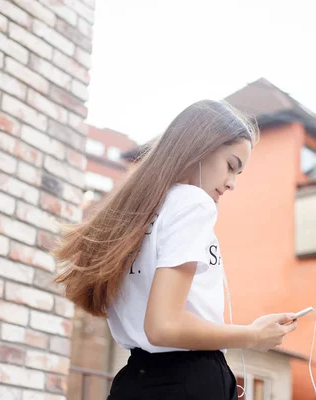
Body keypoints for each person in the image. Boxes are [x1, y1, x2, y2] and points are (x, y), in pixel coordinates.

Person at [53, 100, 299, 400]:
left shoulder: (137, 213)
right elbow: (164, 325)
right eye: (231, 166)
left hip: (135, 381)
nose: (232, 183)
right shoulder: (193, 203)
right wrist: (253, 335)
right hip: (190, 380)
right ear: (200, 148)